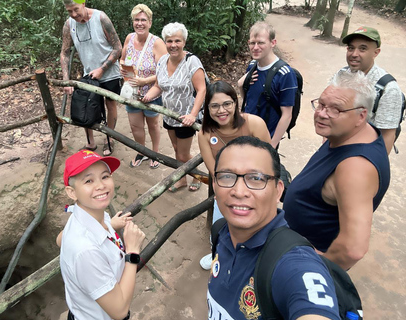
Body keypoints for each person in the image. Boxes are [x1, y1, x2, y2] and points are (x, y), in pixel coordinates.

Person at [208, 136, 340, 320]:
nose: (238, 191)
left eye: (256, 178)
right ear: (215, 185)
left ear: (278, 190)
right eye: (227, 176)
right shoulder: (220, 231)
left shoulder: (293, 264)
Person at [283, 71, 390, 270]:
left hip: (302, 263)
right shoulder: (354, 132)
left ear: (361, 115)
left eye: (336, 110)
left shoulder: (355, 168)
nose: (322, 114)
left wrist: (316, 268)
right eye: (321, 104)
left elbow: (353, 249)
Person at [60, 150, 146, 320]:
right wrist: (133, 252)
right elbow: (120, 311)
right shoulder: (86, 252)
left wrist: (109, 226)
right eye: (88, 180)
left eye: (105, 176)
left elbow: (59, 240)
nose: (100, 185)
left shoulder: (89, 212)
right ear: (71, 192)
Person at [197, 80, 271, 270]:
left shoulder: (254, 124)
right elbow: (214, 170)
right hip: (226, 187)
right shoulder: (205, 133)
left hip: (256, 186)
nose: (221, 110)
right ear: (207, 108)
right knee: (221, 226)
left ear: (235, 103)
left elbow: (270, 160)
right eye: (214, 106)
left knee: (256, 227)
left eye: (227, 104)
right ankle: (219, 254)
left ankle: (251, 261)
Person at [142, 22, 206, 192]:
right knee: (177, 149)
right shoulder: (163, 61)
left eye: (177, 41)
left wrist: (192, 115)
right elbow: (158, 85)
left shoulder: (192, 62)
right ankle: (182, 179)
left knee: (183, 154)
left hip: (186, 117)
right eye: (169, 41)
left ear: (184, 41)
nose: (173, 45)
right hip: (169, 114)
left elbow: (202, 90)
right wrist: (148, 96)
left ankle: (198, 176)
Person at [60, 0, 122, 156]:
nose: (74, 14)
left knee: (110, 104)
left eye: (76, 9)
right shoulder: (69, 25)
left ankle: (109, 138)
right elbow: (64, 52)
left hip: (109, 72)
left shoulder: (101, 18)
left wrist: (102, 69)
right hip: (88, 73)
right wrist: (66, 80)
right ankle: (90, 142)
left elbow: (118, 47)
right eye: (69, 11)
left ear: (83, 3)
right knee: (85, 106)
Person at [332, 26, 403, 154]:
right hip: (336, 146)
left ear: (376, 52)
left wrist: (375, 167)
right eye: (351, 48)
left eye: (363, 49)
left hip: (363, 153)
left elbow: (387, 135)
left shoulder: (388, 89)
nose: (354, 54)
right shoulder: (341, 75)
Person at [120, 4, 167, 168]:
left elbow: (165, 72)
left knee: (152, 124)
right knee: (135, 125)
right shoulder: (129, 38)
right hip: (131, 92)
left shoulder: (157, 43)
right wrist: (122, 68)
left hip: (151, 92)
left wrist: (144, 81)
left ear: (150, 22)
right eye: (136, 20)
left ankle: (154, 153)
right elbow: (122, 59)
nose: (139, 23)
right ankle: (142, 151)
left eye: (143, 20)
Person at [238, 22, 298, 149]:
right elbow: (248, 100)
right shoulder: (252, 66)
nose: (255, 47)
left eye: (261, 43)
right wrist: (241, 84)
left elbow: (287, 115)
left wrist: (272, 145)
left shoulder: (285, 74)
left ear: (273, 43)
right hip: (247, 132)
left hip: (266, 138)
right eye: (252, 43)